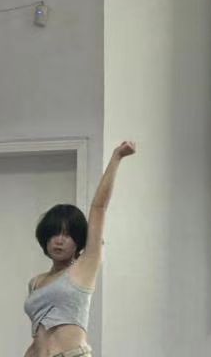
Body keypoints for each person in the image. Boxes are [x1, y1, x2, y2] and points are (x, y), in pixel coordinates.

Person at [23, 140, 135, 357]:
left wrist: (117, 157)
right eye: (54, 234)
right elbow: (38, 336)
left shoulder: (84, 267)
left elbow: (99, 208)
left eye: (67, 235)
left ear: (78, 241)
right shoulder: (35, 282)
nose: (59, 241)